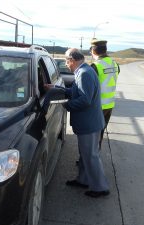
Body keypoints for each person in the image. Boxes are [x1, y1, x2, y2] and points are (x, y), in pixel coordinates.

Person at [45, 48, 110, 198]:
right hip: (89, 123)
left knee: (90, 156)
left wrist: (65, 104)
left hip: (89, 124)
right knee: (85, 155)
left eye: (67, 61)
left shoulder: (84, 73)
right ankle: (83, 179)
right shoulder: (84, 71)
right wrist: (56, 88)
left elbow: (84, 100)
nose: (66, 65)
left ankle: (100, 188)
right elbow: (76, 91)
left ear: (72, 60)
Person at [90, 39, 120, 149]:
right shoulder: (115, 64)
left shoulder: (95, 66)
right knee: (100, 134)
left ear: (93, 51)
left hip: (98, 107)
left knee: (92, 136)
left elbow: (89, 89)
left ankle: (90, 162)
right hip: (110, 105)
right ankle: (96, 156)